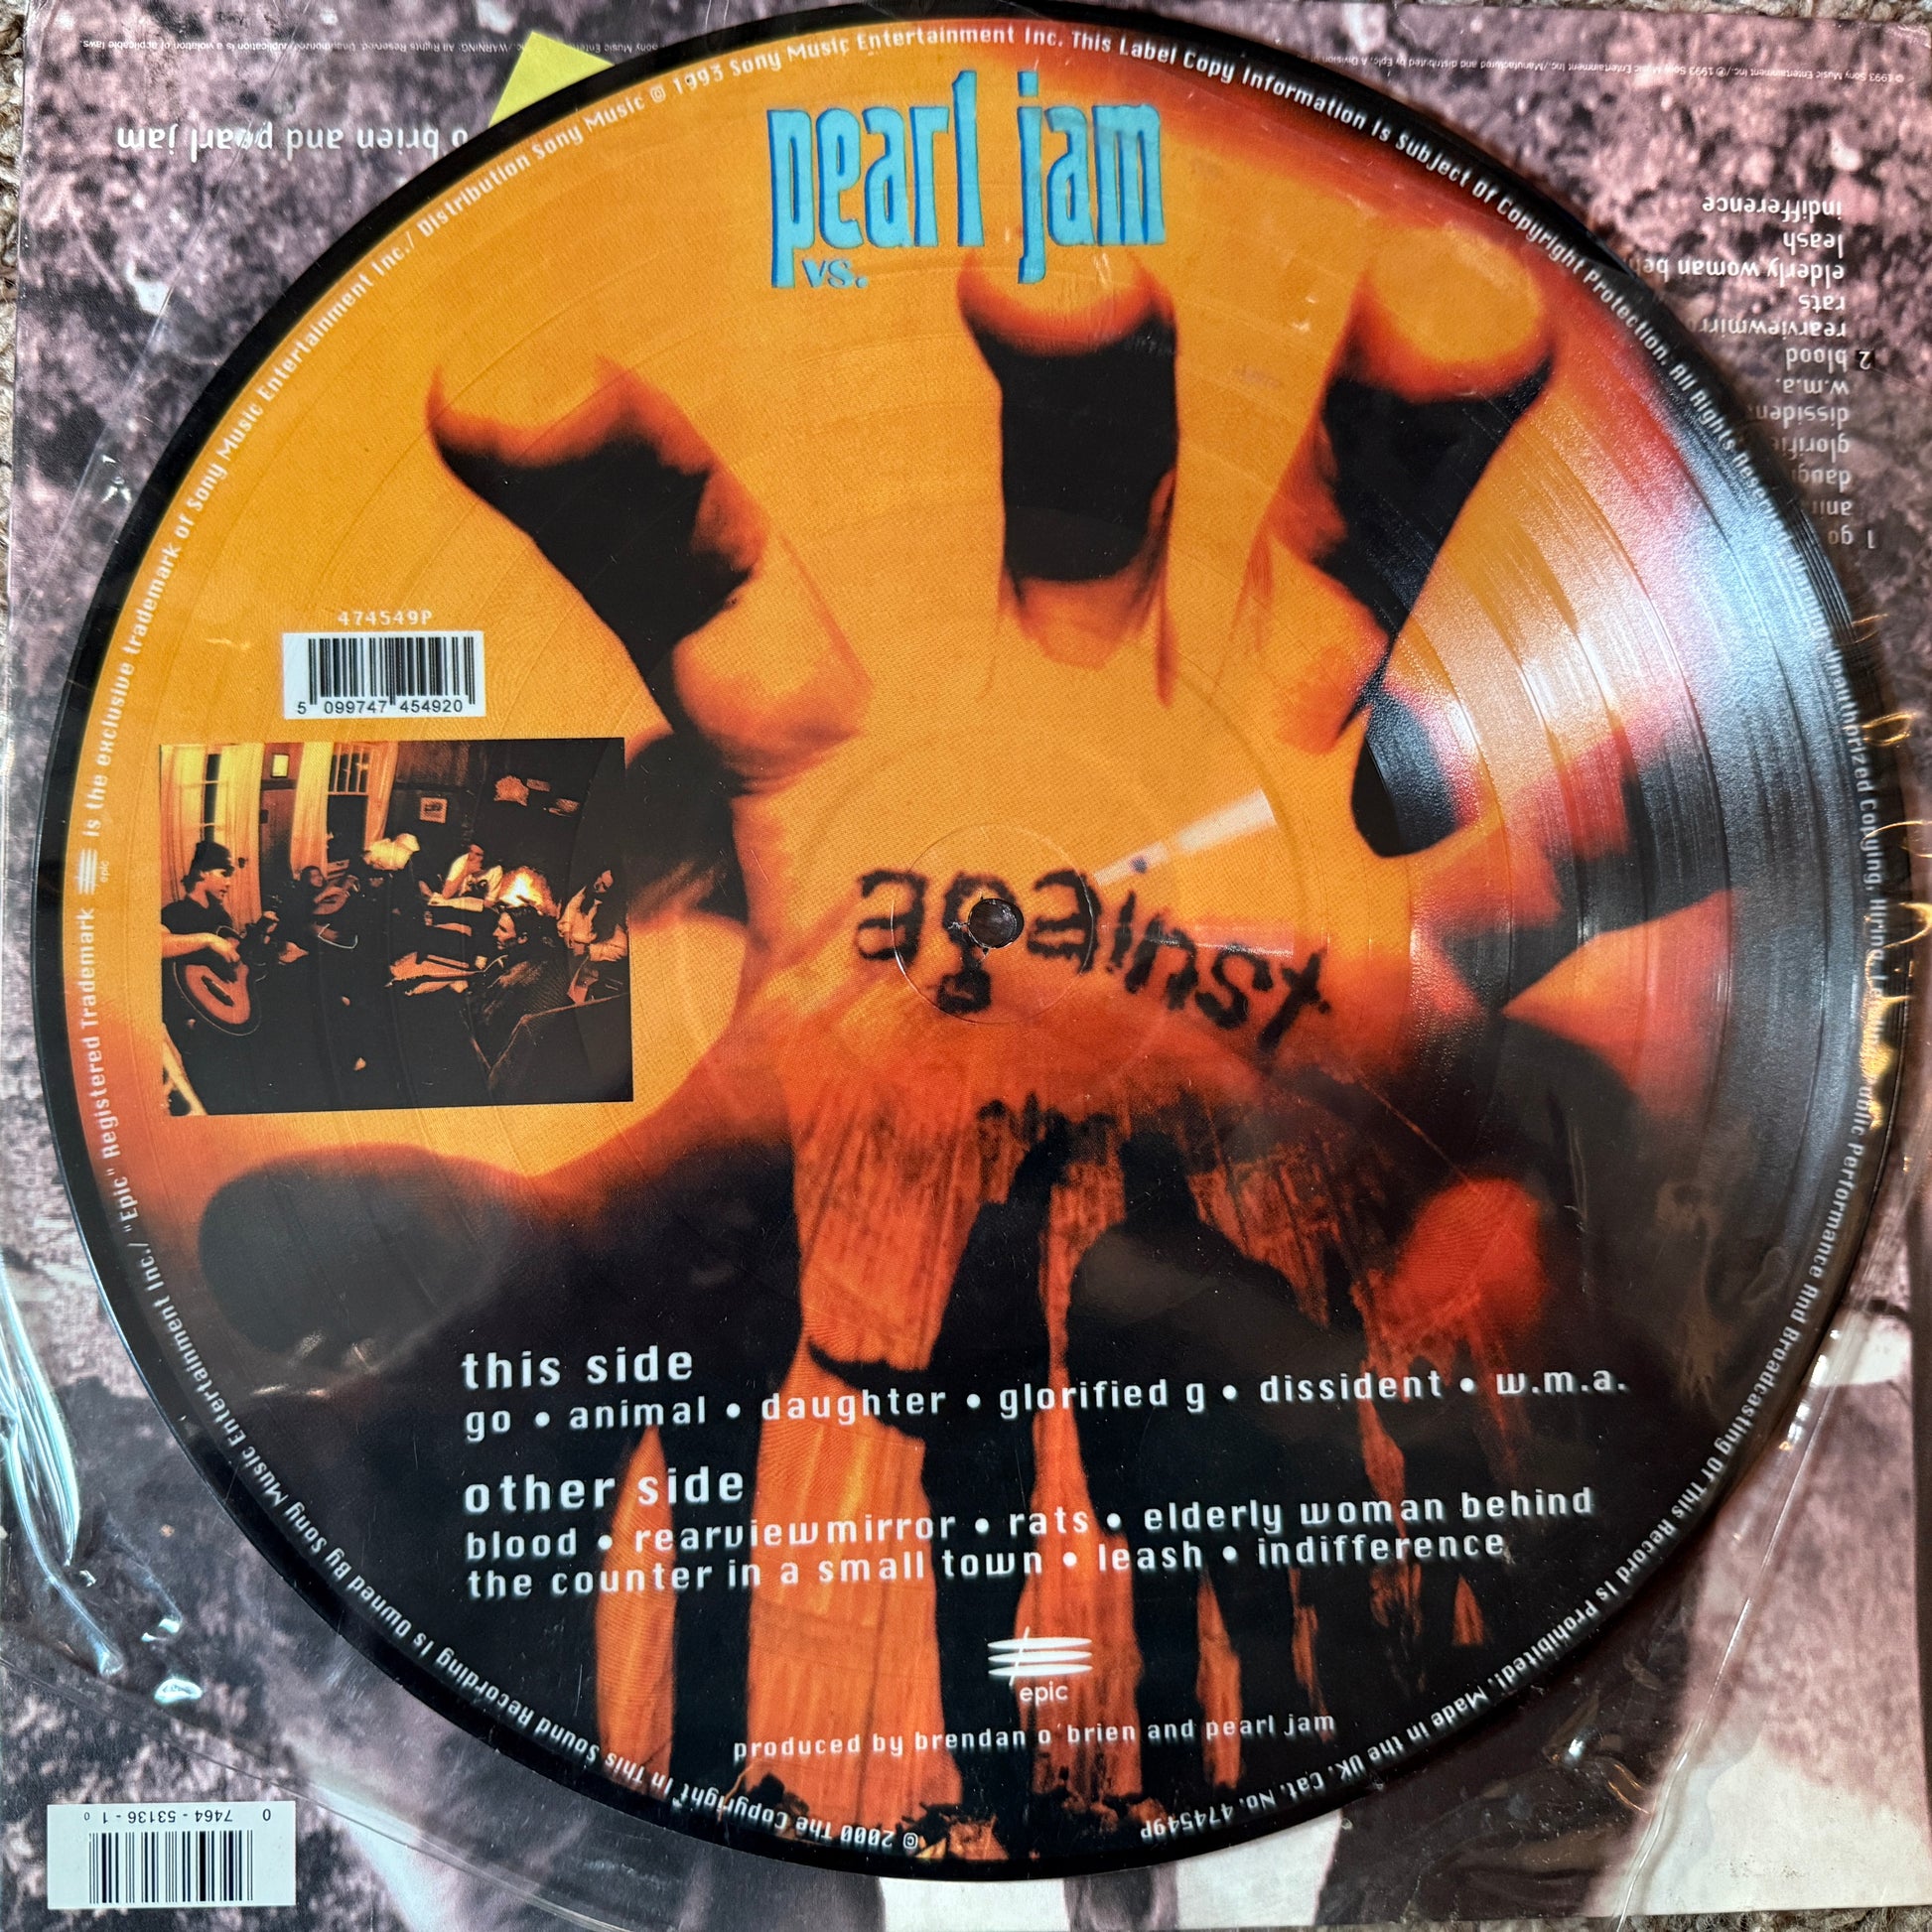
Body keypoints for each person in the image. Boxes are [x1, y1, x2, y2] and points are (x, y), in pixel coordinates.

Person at [160, 840, 240, 961]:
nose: (229, 883)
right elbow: (156, 945)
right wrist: (209, 940)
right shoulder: (174, 911)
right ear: (202, 872)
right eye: (224, 874)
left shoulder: (222, 916)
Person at [558, 868, 628, 1001]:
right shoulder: (586, 893)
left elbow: (622, 949)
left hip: (586, 970)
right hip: (567, 957)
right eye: (599, 878)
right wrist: (566, 930)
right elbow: (571, 909)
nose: (597, 884)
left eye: (604, 886)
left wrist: (588, 950)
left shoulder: (613, 916)